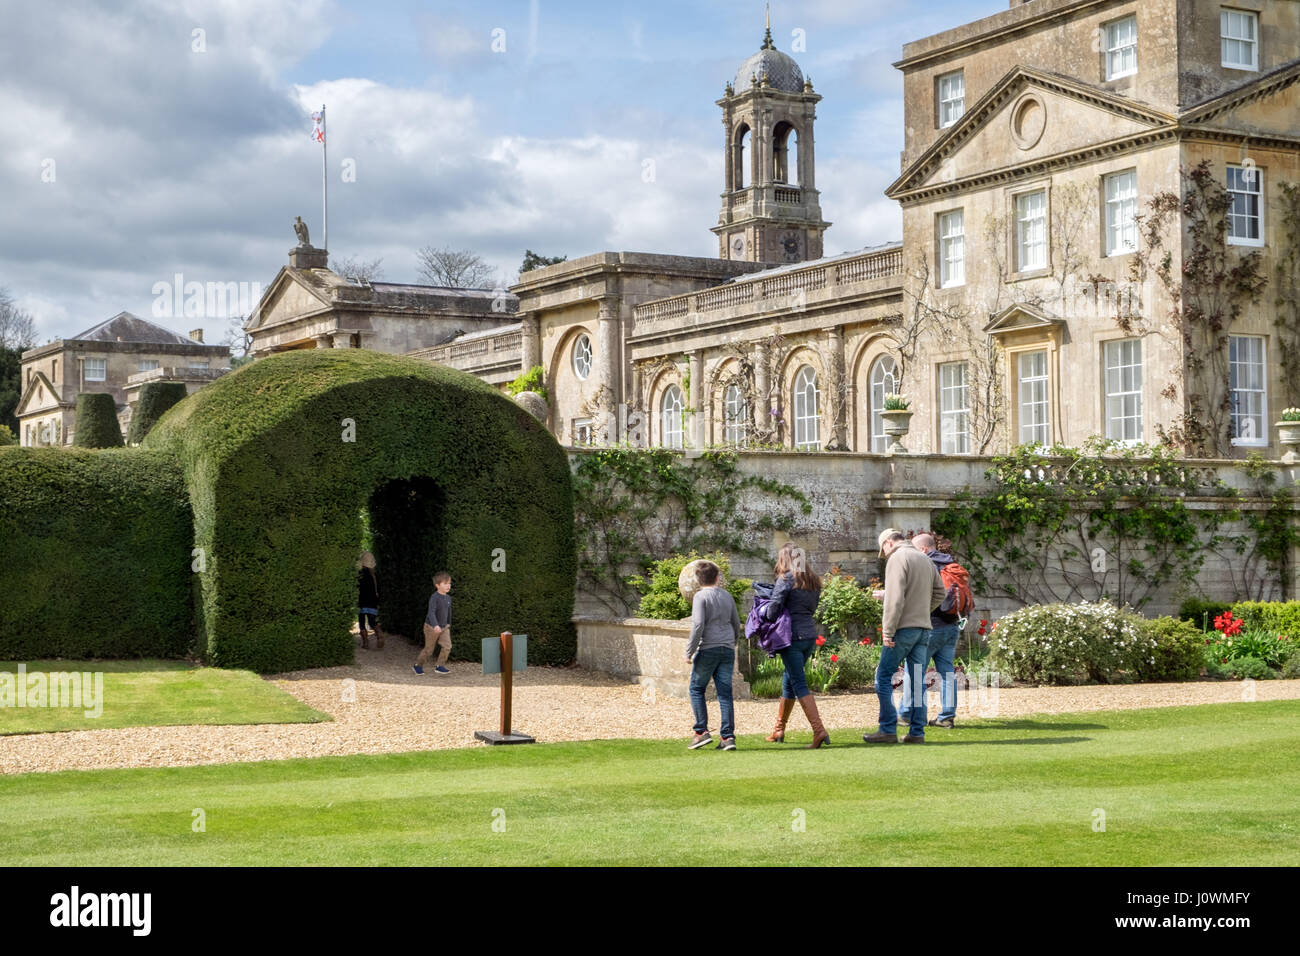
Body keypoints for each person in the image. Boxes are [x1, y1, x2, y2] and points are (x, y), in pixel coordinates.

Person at [865, 529, 946, 744]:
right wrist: (921, 611)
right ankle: (916, 733)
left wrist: (888, 631)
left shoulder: (897, 558)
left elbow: (894, 598)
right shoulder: (924, 558)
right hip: (924, 629)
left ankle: (887, 730)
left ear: (888, 543)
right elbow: (941, 593)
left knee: (883, 676)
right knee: (917, 681)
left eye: (883, 549)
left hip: (902, 629)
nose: (885, 554)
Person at [762, 542, 829, 748]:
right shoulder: (813, 581)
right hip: (809, 636)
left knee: (798, 683)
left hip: (790, 638)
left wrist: (763, 612)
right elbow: (812, 609)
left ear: (785, 558)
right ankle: (778, 729)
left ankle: (819, 731)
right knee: (789, 679)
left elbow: (774, 609)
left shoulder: (785, 579)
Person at [899, 532, 965, 729]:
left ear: (923, 549)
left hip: (930, 627)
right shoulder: (951, 564)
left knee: (914, 671)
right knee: (947, 673)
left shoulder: (925, 565)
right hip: (952, 626)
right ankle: (946, 717)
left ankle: (906, 714)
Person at [684, 561, 743, 751]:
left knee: (696, 689)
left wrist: (689, 651)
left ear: (698, 580)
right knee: (725, 694)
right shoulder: (727, 596)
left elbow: (698, 625)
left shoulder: (700, 597)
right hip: (726, 649)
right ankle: (728, 737)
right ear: (717, 578)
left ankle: (701, 732)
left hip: (708, 649)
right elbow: (736, 623)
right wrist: (732, 643)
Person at [413, 571, 452, 676]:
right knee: (429, 650)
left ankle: (440, 666)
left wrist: (448, 624)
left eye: (449, 583)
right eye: (445, 583)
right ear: (437, 585)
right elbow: (431, 612)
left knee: (447, 646)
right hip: (431, 627)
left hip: (444, 627)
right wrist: (435, 625)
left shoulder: (448, 598)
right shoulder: (434, 598)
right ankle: (418, 665)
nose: (448, 586)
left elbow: (448, 612)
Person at [356, 552, 383, 650]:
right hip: (372, 601)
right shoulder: (374, 576)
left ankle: (365, 643)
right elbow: (379, 590)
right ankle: (379, 634)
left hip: (362, 600)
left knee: (362, 622)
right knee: (372, 621)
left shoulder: (359, 575)